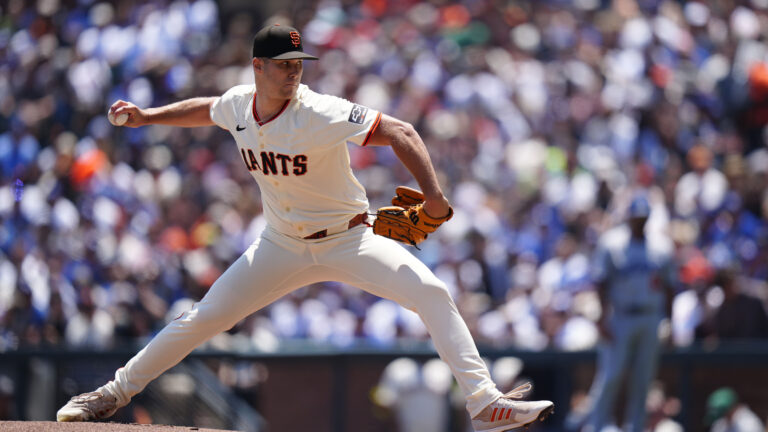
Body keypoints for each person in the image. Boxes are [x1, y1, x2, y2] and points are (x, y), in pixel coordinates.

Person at [55, 24, 554, 431]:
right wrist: (147, 118)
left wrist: (434, 195)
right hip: (280, 244)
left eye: (299, 64)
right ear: (258, 68)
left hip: (350, 238)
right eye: (284, 65)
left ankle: (484, 402)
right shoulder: (238, 104)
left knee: (431, 291)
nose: (294, 73)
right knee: (203, 318)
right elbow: (206, 110)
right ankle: (110, 394)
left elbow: (401, 130)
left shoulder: (318, 110)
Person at [574, 195, 676, 432]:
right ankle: (597, 426)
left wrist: (669, 323)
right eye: (635, 217)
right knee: (610, 377)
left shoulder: (661, 246)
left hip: (651, 316)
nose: (639, 222)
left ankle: (635, 428)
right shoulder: (612, 243)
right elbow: (600, 282)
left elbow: (670, 286)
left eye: (643, 218)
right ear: (628, 218)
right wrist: (601, 319)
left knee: (643, 382)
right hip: (620, 317)